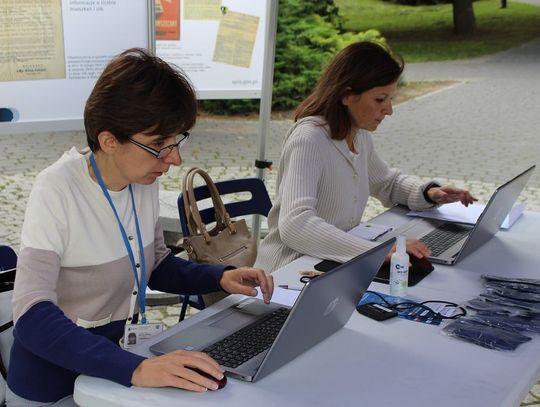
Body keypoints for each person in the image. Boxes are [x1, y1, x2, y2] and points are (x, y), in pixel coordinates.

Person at [7, 48, 273, 406]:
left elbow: (155, 264)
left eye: (176, 141)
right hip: (55, 385)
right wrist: (136, 370)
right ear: (108, 140)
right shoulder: (57, 188)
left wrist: (218, 277)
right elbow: (31, 316)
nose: (174, 159)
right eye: (159, 145)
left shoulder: (143, 179)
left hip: (117, 367)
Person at [256, 41, 476, 273]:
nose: (389, 110)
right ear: (347, 95)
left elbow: (386, 183)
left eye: (391, 98)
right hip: (287, 271)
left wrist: (428, 192)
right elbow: (296, 224)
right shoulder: (309, 139)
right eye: (380, 99)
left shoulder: (358, 135)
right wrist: (375, 252)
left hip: (330, 266)